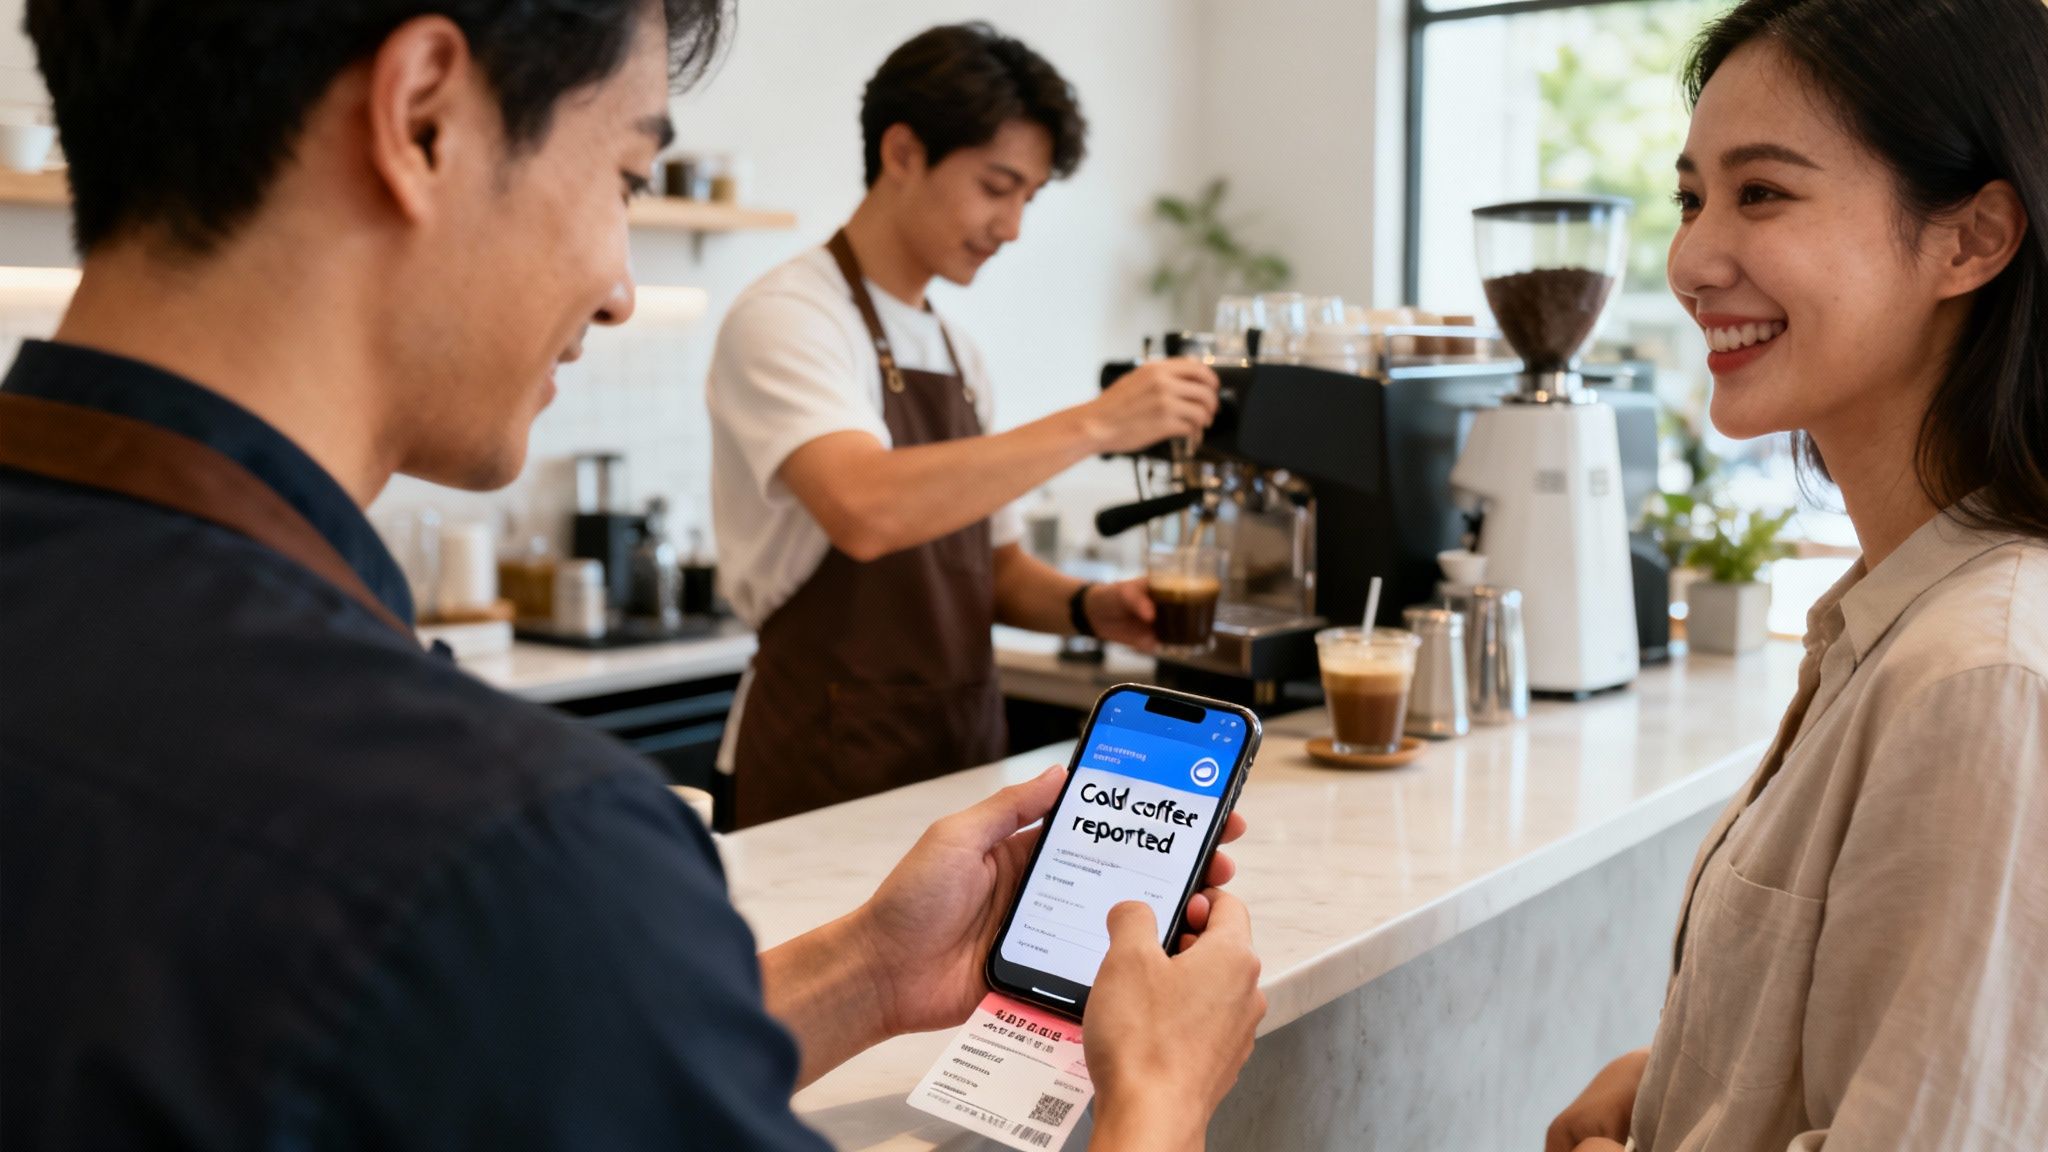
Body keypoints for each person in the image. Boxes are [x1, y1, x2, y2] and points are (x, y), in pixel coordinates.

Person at [0, 2, 1267, 1149]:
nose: (618, 291)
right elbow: (867, 508)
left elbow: (516, 1054)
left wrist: (875, 970)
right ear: (423, 116)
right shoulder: (508, 840)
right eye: (624, 177)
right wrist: (1156, 1094)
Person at [1546, 1, 2048, 1149]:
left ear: (1970, 240)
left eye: (1761, 192)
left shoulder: (1982, 679)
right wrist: (1683, 1082)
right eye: (1690, 199)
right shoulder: (1892, 616)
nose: (1687, 262)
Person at [706, 23, 1223, 827]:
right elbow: (865, 507)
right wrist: (1097, 424)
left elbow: (995, 571)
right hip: (820, 765)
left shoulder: (957, 351)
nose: (1011, 226)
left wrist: (1090, 606)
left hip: (958, 761)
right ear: (903, 152)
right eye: (996, 186)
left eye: (1028, 198)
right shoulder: (789, 316)